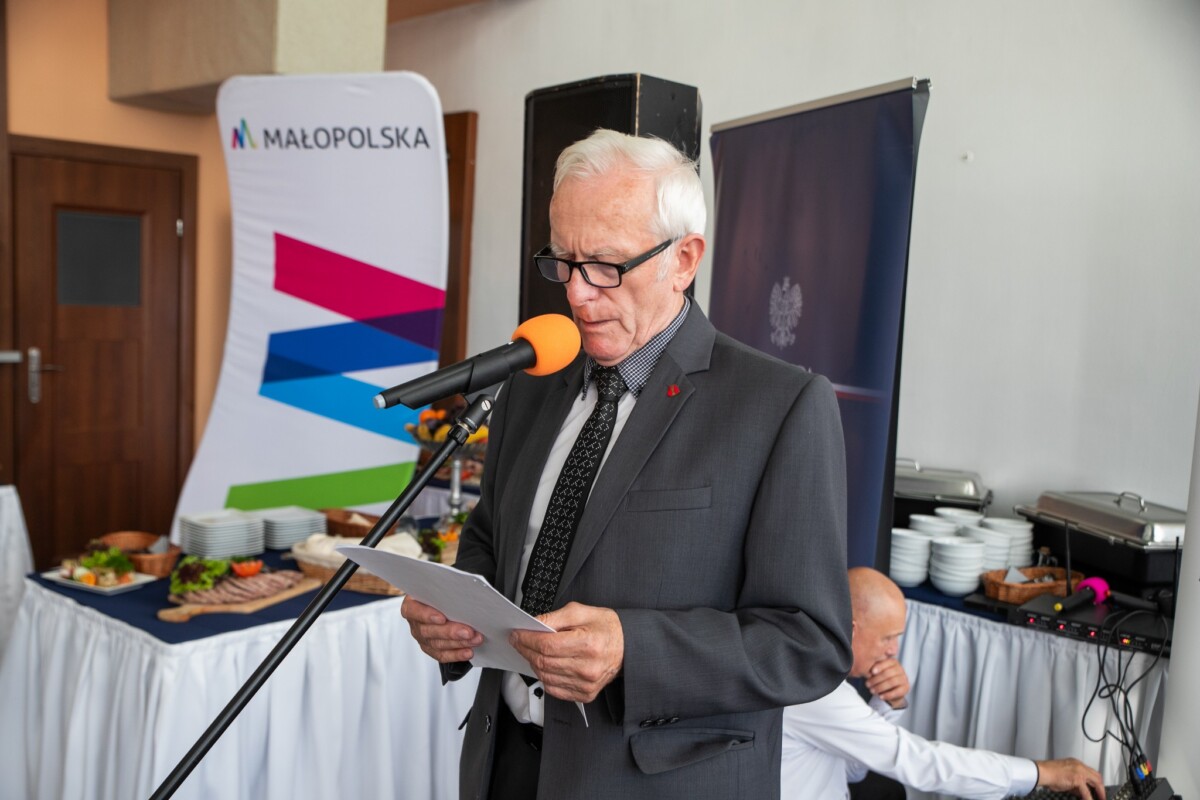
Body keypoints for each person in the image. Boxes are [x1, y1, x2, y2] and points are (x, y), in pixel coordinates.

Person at [402, 129, 854, 800]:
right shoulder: (533, 381)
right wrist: (453, 612)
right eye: (563, 262)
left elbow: (808, 643)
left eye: (607, 265)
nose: (578, 295)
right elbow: (493, 537)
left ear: (684, 260)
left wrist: (634, 651)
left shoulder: (779, 405)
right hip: (506, 764)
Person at [782, 567, 1108, 800]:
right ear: (850, 629)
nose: (893, 651)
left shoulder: (815, 672)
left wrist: (887, 701)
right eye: (887, 638)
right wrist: (1043, 773)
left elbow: (852, 770)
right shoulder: (819, 694)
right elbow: (922, 762)